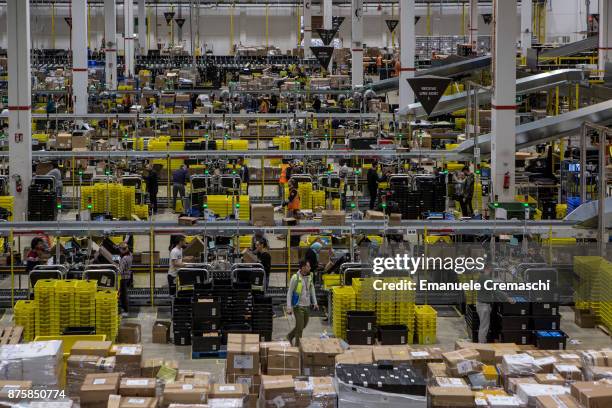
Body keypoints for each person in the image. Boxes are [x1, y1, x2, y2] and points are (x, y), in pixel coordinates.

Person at [476, 266, 516, 343]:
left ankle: (482, 343)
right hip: (484, 306)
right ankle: (481, 345)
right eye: (491, 269)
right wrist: (507, 298)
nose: (492, 271)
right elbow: (496, 291)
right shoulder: (487, 279)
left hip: (480, 304)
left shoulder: (481, 277)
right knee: (484, 326)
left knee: (483, 325)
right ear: (487, 269)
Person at [286, 260, 318, 346]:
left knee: (303, 325)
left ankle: (289, 336)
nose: (310, 268)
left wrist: (315, 302)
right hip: (298, 306)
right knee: (300, 328)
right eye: (308, 266)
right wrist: (289, 307)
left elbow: (312, 289)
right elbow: (289, 292)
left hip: (307, 305)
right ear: (303, 267)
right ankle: (297, 347)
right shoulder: (295, 277)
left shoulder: (310, 276)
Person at [117, 242, 133, 315]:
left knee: (123, 295)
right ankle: (125, 309)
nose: (119, 251)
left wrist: (115, 270)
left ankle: (125, 310)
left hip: (124, 278)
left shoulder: (124, 258)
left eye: (120, 249)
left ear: (122, 250)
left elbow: (120, 271)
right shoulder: (130, 255)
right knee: (124, 293)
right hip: (128, 276)